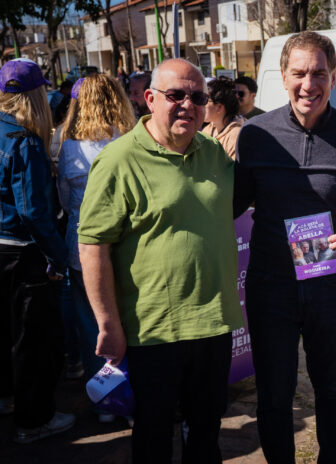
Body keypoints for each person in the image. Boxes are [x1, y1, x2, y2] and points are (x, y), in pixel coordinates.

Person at [78, 58, 243, 462]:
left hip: (213, 324)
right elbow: (93, 245)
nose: (188, 104)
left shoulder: (214, 153)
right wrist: (107, 323)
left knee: (206, 433)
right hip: (152, 331)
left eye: (198, 97)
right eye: (176, 95)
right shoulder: (118, 160)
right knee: (153, 437)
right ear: (150, 99)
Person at [234, 31, 336, 463]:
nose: (308, 84)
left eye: (319, 73)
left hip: (330, 284)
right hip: (270, 285)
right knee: (274, 392)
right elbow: (233, 202)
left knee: (332, 387)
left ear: (333, 78)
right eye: (299, 73)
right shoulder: (256, 135)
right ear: (283, 77)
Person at [0, 58, 73, 443]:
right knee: (32, 341)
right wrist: (58, 256)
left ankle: (8, 400)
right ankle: (33, 420)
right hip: (22, 252)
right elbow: (32, 211)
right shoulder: (23, 140)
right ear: (37, 95)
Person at [57, 73, 136, 421]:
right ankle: (134, 396)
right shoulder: (130, 140)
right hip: (124, 243)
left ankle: (105, 401)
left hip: (80, 244)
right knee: (129, 320)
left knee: (92, 325)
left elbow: (62, 198)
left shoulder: (69, 146)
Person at [202, 76, 244, 159]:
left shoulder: (236, 136)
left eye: (205, 101)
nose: (201, 105)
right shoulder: (207, 130)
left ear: (219, 107)